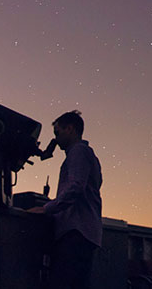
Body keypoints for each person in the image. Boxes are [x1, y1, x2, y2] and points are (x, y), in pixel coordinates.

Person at [31, 110, 103, 289]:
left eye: (57, 132)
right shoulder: (89, 155)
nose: (55, 138)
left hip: (75, 232)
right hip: (85, 232)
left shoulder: (79, 151)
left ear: (70, 129)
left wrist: (47, 208)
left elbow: (75, 187)